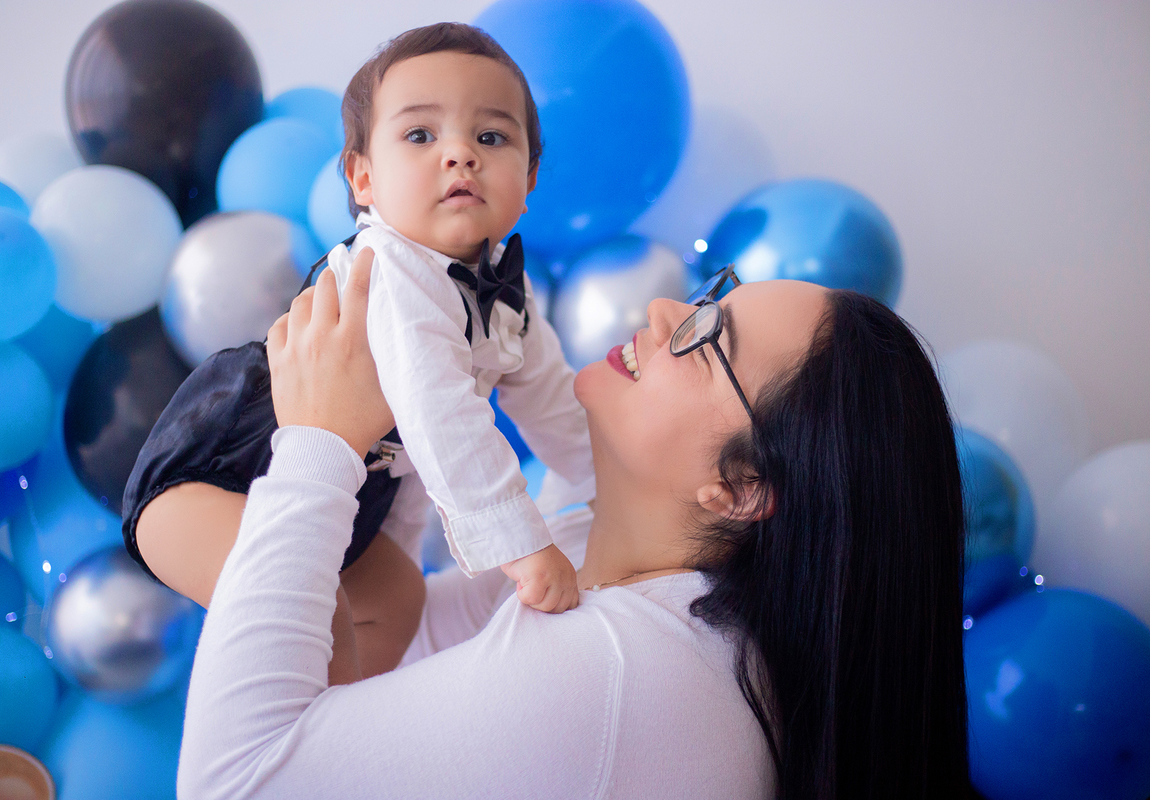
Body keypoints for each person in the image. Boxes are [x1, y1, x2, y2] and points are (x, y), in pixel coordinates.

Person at [173, 247, 971, 799]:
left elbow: (234, 780)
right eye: (707, 299)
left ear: (743, 488)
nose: (664, 312)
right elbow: (397, 649)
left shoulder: (627, 668)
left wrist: (318, 443)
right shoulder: (594, 551)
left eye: (706, 338)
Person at [126, 23, 593, 684]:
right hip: (218, 475)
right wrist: (523, 545)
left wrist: (613, 483)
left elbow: (551, 403)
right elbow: (440, 419)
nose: (459, 153)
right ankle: (304, 739)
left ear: (528, 181)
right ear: (363, 178)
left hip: (344, 500)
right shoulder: (390, 273)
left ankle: (339, 727)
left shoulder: (502, 290)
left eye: (491, 137)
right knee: (317, 623)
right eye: (421, 135)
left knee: (397, 604)